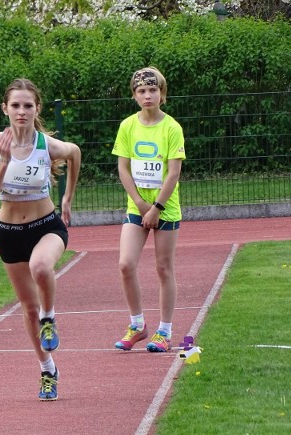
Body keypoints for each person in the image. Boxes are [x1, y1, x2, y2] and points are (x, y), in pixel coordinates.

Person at [0, 78, 81, 401]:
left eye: (27, 105)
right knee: (26, 307)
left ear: (36, 108)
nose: (21, 111)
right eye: (15, 105)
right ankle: (48, 369)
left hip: (46, 226)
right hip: (9, 232)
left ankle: (49, 318)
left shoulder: (46, 145)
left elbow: (74, 153)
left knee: (41, 267)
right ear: (5, 109)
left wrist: (67, 198)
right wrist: (6, 161)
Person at [112, 66, 186, 353]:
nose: (147, 95)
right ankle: (137, 325)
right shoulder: (128, 126)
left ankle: (164, 331)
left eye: (152, 90)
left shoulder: (172, 128)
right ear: (134, 95)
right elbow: (123, 168)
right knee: (125, 264)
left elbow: (173, 174)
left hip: (165, 209)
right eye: (141, 91)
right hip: (137, 207)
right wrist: (141, 204)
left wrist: (156, 207)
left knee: (163, 268)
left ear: (162, 94)